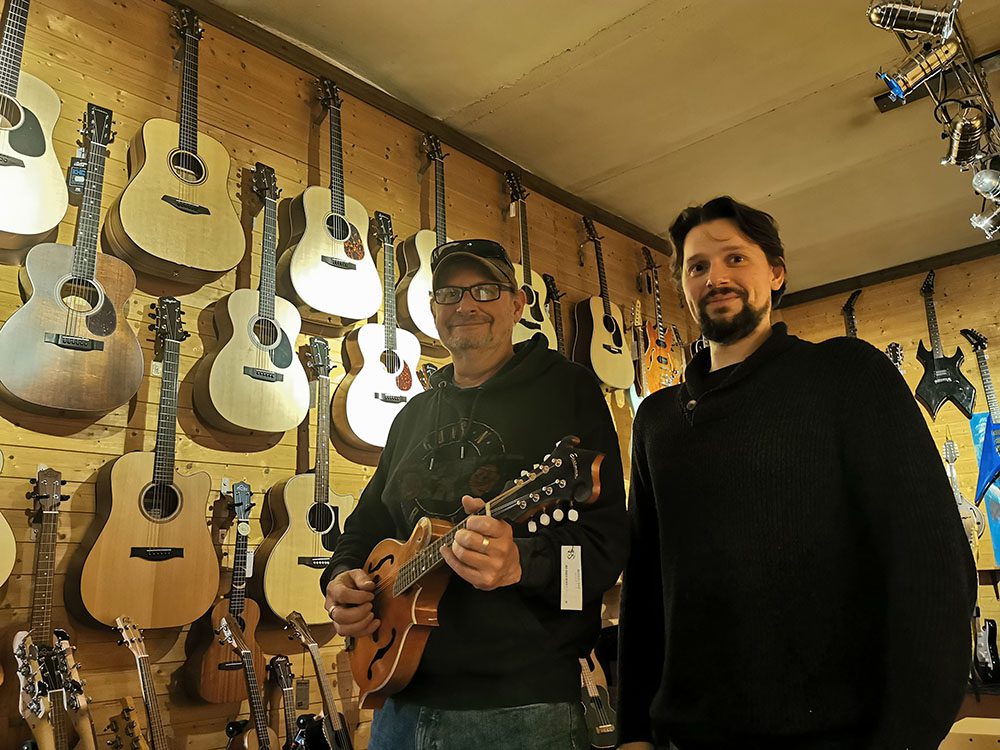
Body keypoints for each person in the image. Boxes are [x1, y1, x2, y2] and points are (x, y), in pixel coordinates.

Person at [617, 196, 977, 750]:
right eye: (697, 266)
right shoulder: (656, 421)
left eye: (735, 258)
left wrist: (907, 735)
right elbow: (643, 588)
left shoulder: (845, 375)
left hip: (832, 735)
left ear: (777, 273)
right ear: (684, 287)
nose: (716, 277)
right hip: (685, 736)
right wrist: (634, 732)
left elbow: (933, 563)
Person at [322, 238, 628, 750]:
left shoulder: (568, 391)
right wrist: (340, 580)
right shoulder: (412, 415)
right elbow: (368, 523)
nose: (465, 305)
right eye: (448, 293)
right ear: (433, 310)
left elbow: (604, 548)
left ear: (517, 303)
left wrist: (522, 565)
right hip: (396, 700)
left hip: (523, 712)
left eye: (485, 290)